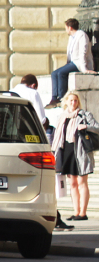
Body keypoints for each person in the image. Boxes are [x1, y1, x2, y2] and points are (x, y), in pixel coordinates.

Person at [50, 90, 96, 229]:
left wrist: (86, 126)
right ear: (66, 102)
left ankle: (83, 212)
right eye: (71, 100)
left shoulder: (84, 115)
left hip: (80, 151)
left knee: (82, 182)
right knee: (73, 183)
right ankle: (76, 212)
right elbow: (57, 135)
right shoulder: (62, 116)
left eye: (75, 100)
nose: (73, 103)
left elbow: (97, 127)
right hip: (67, 151)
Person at [48, 18, 94, 107]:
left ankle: (62, 97)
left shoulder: (81, 35)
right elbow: (69, 54)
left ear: (70, 27)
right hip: (72, 63)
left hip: (79, 63)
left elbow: (83, 52)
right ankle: (54, 98)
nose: (66, 30)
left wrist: (85, 69)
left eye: (66, 27)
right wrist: (67, 65)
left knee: (61, 73)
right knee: (54, 73)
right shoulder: (71, 38)